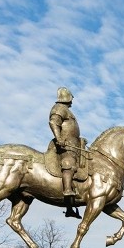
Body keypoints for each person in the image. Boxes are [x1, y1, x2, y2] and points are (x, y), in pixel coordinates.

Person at [49, 86, 82, 219]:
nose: (72, 99)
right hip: (65, 144)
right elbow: (54, 122)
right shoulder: (59, 109)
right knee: (68, 163)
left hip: (74, 144)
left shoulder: (67, 111)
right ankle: (67, 190)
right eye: (71, 97)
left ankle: (70, 207)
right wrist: (59, 138)